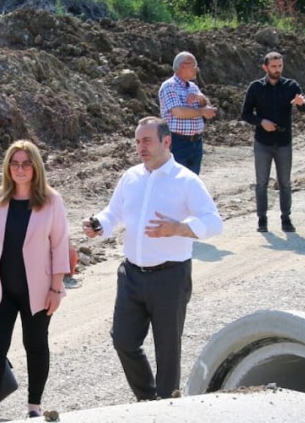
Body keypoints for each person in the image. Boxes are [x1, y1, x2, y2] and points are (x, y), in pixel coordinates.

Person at [83, 117, 223, 401]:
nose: (140, 147)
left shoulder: (186, 181)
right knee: (123, 341)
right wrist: (99, 224)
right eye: (137, 142)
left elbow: (214, 222)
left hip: (170, 277)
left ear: (166, 141)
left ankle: (168, 405)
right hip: (131, 275)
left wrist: (180, 228)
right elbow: (114, 213)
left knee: (167, 350)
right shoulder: (130, 177)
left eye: (147, 141)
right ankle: (147, 398)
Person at [0, 140, 70, 422]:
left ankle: (34, 407)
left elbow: (60, 245)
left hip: (38, 289)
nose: (20, 169)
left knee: (35, 345)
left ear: (36, 167)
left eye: (26, 163)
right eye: (14, 164)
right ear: (8, 168)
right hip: (1, 287)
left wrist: (56, 288)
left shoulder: (52, 200)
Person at [240, 51, 305, 233]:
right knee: (261, 182)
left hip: (284, 142)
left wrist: (301, 103)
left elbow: (304, 108)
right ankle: (262, 220)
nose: (277, 70)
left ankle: (286, 218)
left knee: (285, 182)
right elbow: (245, 114)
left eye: (280, 66)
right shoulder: (255, 87)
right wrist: (261, 121)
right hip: (263, 142)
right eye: (274, 66)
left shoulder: (291, 86)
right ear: (265, 67)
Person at [157, 52, 217, 174]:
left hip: (196, 142)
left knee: (192, 180)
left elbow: (208, 106)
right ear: (183, 66)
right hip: (178, 142)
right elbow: (179, 112)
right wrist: (202, 112)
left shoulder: (193, 87)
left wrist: (200, 98)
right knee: (176, 179)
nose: (197, 69)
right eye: (194, 65)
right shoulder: (169, 86)